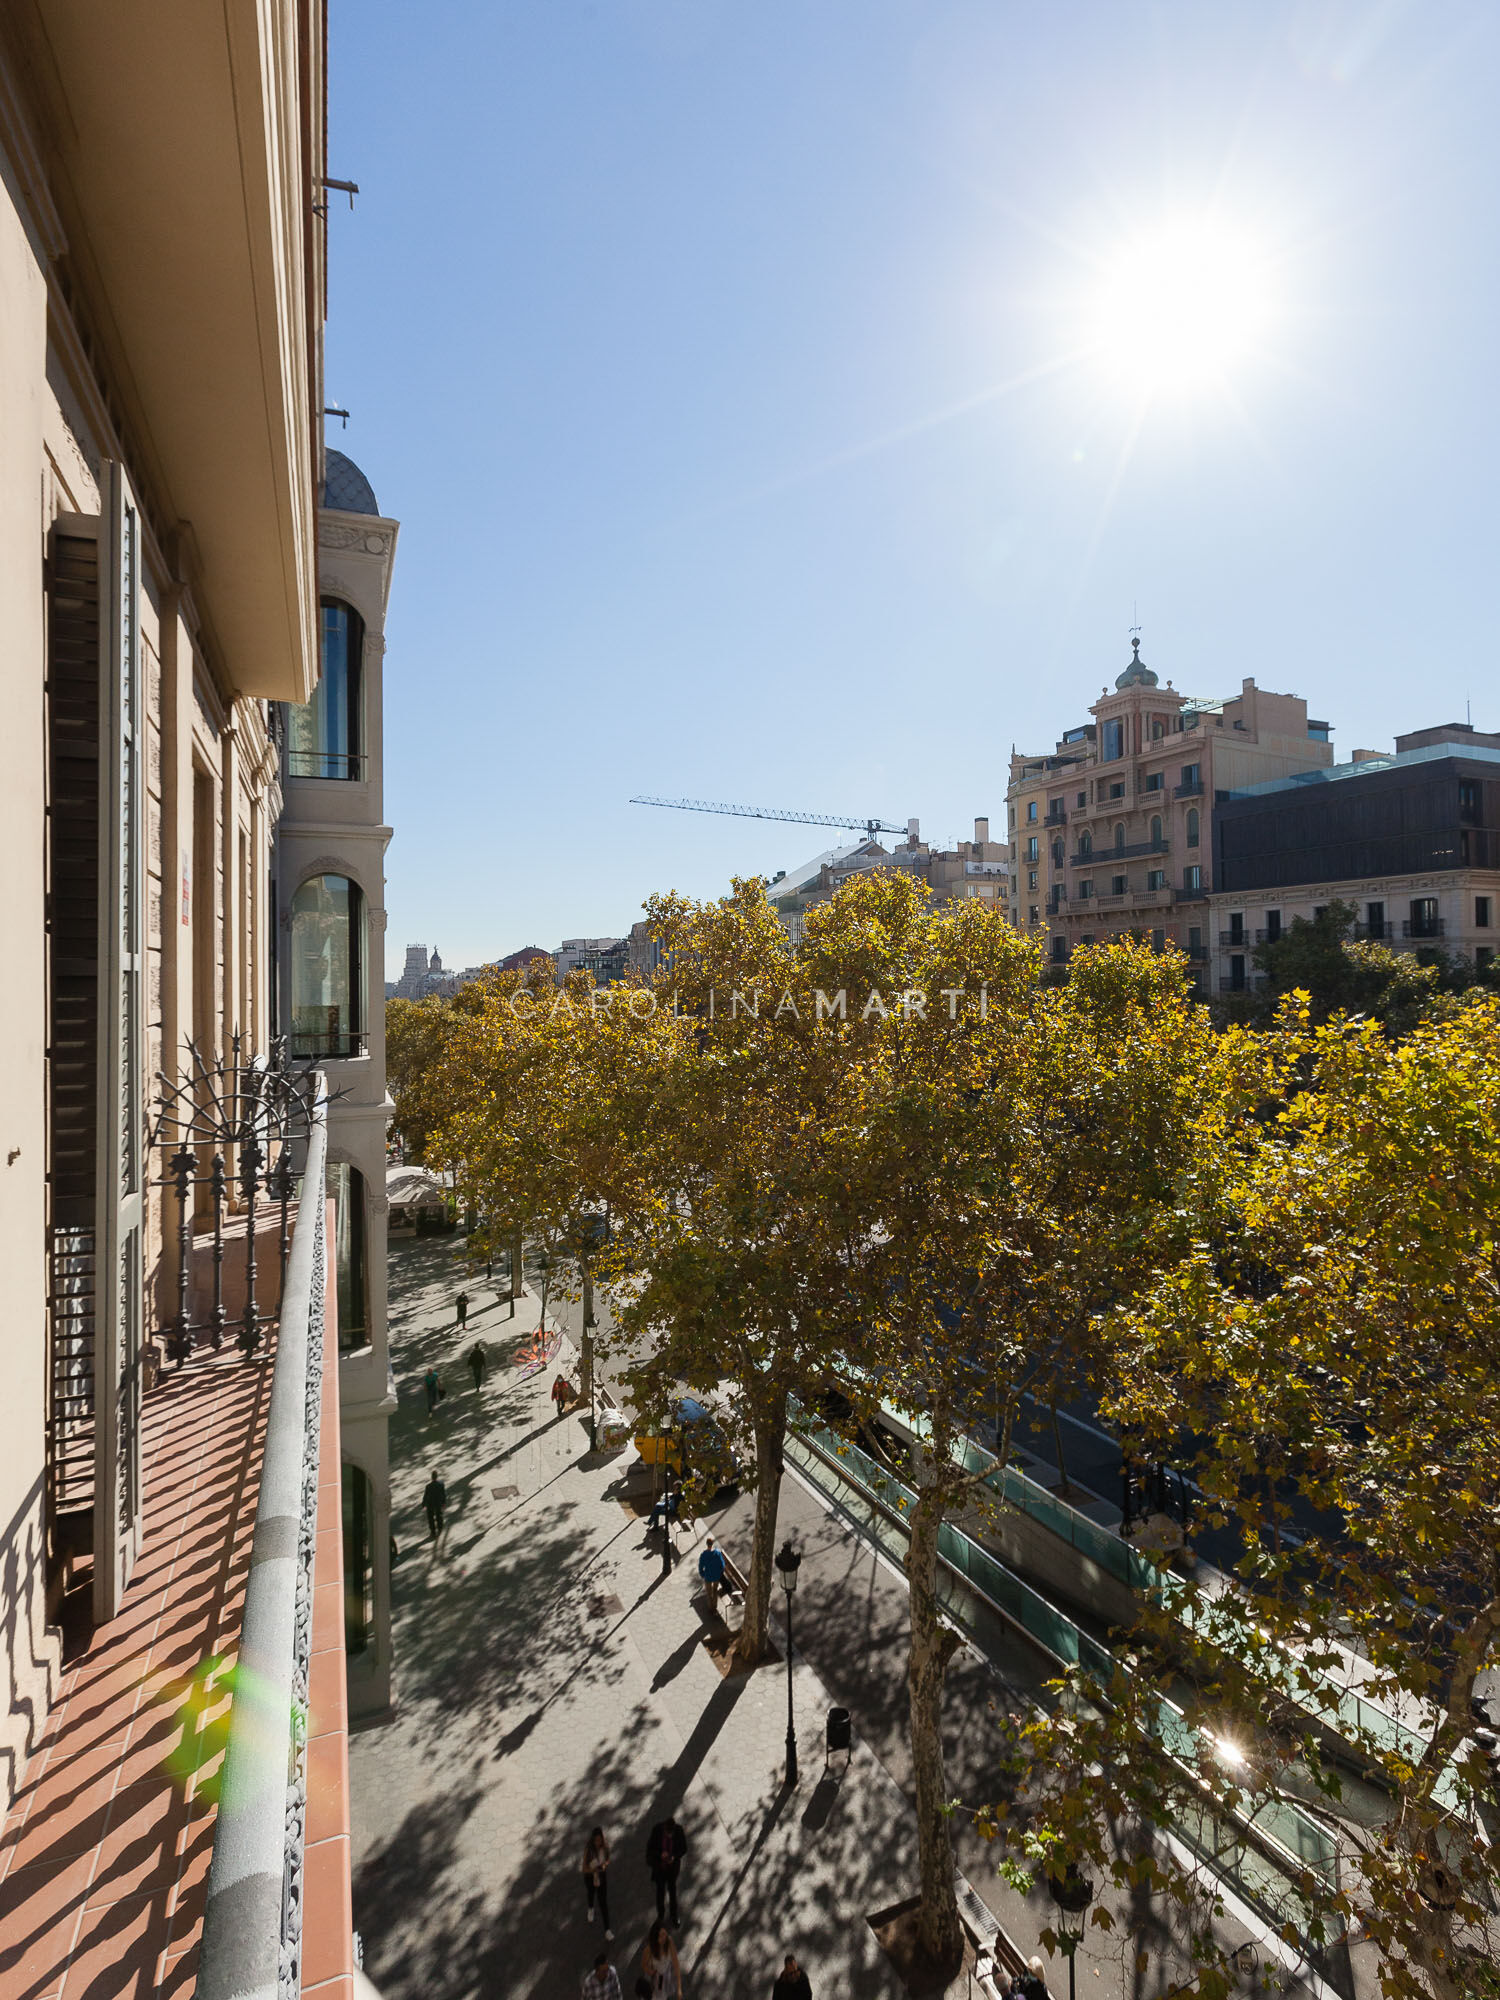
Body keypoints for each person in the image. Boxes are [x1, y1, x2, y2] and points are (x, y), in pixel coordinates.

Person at [645, 1816, 687, 1925]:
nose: (670, 1836)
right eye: (668, 1834)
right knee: (660, 1893)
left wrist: (674, 1857)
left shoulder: (679, 1830)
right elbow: (650, 1848)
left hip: (672, 1870)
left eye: (671, 1834)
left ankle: (674, 1915)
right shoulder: (657, 1830)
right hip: (660, 1868)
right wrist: (660, 1855)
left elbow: (683, 1849)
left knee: (672, 1892)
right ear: (664, 1828)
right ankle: (661, 1915)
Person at [581, 1826, 612, 1939]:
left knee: (603, 1902)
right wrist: (593, 1870)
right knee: (591, 1893)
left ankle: (607, 1930)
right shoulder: (588, 1850)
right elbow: (584, 1868)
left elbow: (608, 1859)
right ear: (593, 1840)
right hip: (590, 1877)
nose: (598, 1842)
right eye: (596, 1840)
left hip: (601, 1876)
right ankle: (591, 1908)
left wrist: (604, 1865)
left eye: (600, 1840)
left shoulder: (605, 1847)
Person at [640, 1923, 681, 1999]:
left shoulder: (669, 1942)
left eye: (665, 1934)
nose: (664, 1938)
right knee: (660, 1994)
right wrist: (651, 1972)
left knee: (666, 1989)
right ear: (655, 1938)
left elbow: (676, 1964)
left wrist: (679, 1988)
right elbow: (643, 1964)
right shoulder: (649, 1950)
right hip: (658, 1976)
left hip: (667, 1972)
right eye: (661, 1936)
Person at [697, 1535, 728, 1616]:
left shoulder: (703, 1554)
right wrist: (719, 1573)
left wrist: (702, 1574)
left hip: (708, 1576)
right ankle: (715, 1607)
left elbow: (700, 1566)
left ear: (707, 1544)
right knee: (715, 1591)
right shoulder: (717, 1553)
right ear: (712, 1544)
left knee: (709, 1592)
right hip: (716, 1576)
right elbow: (722, 1565)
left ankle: (710, 1608)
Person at [422, 1469, 446, 1540]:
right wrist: (443, 1502)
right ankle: (440, 1528)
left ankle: (433, 1532)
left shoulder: (428, 1486)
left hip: (430, 1504)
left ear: (431, 1477)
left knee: (431, 1518)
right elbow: (443, 1494)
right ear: (437, 1477)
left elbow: (425, 1496)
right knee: (439, 1516)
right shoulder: (441, 1485)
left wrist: (424, 1504)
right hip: (438, 1503)